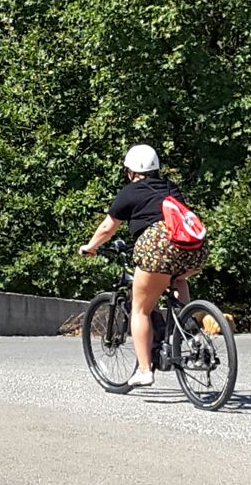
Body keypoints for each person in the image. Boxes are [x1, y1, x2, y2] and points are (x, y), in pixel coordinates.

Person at [79, 144, 207, 387]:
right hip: (193, 251)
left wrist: (90, 246)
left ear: (131, 171)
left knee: (140, 310)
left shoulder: (130, 192)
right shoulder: (171, 188)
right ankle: (188, 329)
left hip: (156, 249)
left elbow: (107, 228)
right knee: (177, 279)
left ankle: (145, 370)